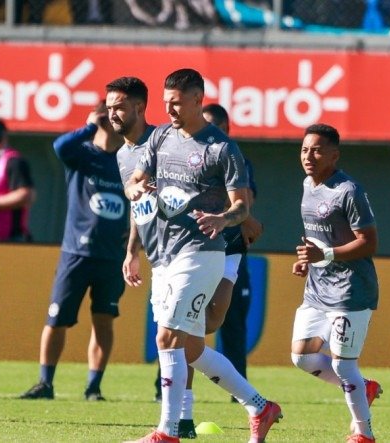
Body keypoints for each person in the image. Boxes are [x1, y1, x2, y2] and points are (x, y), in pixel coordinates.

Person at [124, 68, 281, 443]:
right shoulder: (161, 136)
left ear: (197, 100)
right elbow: (135, 178)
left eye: (176, 103)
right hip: (164, 254)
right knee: (192, 347)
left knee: (167, 336)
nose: (169, 110)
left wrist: (222, 217)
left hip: (202, 253)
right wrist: (135, 188)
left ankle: (167, 431)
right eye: (166, 103)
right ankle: (260, 406)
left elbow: (242, 208)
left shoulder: (222, 149)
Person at [20, 101, 128, 401]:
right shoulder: (81, 154)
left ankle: (94, 386)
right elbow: (60, 146)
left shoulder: (127, 160)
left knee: (103, 319)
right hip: (76, 253)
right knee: (56, 318)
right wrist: (91, 125)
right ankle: (45, 383)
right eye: (109, 115)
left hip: (111, 256)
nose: (113, 121)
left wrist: (137, 235)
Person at [108, 76, 195, 438]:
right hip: (159, 257)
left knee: (181, 336)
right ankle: (255, 405)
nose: (112, 113)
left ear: (140, 108)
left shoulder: (166, 142)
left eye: (119, 107)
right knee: (186, 340)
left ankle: (176, 422)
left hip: (189, 250)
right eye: (109, 106)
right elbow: (138, 207)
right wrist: (132, 250)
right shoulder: (122, 155)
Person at [291, 123, 382, 443]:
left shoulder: (349, 190)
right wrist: (307, 259)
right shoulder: (307, 185)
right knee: (302, 357)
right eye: (304, 149)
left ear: (334, 154)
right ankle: (364, 387)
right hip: (317, 289)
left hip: (351, 290)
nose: (308, 156)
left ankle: (364, 434)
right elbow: (317, 238)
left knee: (344, 365)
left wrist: (325, 255)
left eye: (316, 150)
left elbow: (369, 243)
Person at [201, 103, 263, 386]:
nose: (212, 134)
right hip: (195, 249)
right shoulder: (187, 154)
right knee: (179, 320)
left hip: (230, 248)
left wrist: (242, 215)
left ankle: (239, 388)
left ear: (227, 130)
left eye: (218, 128)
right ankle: (164, 388)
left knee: (230, 321)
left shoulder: (236, 158)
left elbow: (244, 201)